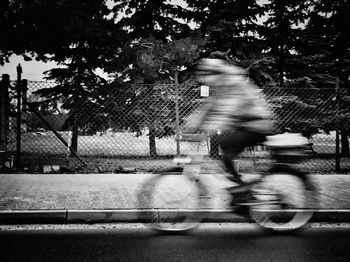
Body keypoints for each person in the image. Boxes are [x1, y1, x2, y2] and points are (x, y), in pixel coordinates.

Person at [184, 58, 274, 185]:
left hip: (257, 125)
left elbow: (226, 112)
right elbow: (207, 109)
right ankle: (240, 186)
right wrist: (191, 126)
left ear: (216, 73)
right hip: (246, 126)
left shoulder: (233, 84)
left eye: (208, 75)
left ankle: (241, 188)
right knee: (227, 151)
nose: (207, 80)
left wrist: (206, 132)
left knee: (226, 146)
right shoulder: (222, 87)